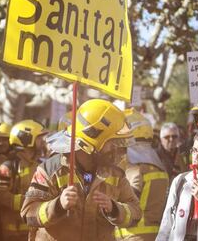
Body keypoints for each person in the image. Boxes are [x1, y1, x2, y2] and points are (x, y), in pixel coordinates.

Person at [21, 99, 142, 240]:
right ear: (92, 140)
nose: (117, 150)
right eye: (112, 143)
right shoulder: (50, 170)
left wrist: (114, 208)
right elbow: (28, 214)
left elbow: (136, 213)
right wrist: (58, 205)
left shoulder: (115, 174)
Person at [115, 109, 169, 241]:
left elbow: (129, 201)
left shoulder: (134, 167)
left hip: (131, 236)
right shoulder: (159, 165)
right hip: (154, 235)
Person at [0, 120, 47, 241]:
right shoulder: (9, 166)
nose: (43, 142)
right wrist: (26, 202)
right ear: (26, 139)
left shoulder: (42, 165)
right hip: (13, 231)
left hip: (36, 229)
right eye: (39, 138)